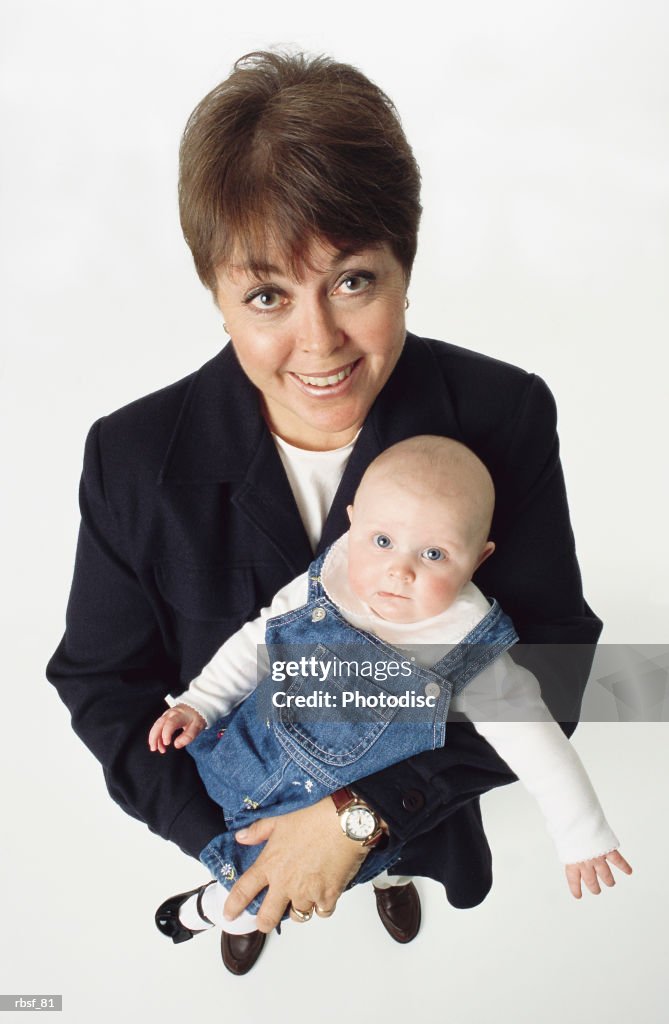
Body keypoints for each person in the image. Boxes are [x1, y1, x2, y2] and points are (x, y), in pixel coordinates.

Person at [46, 50, 607, 976]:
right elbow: (100, 683)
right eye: (267, 295)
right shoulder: (130, 455)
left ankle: (393, 872)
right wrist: (241, 851)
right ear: (215, 295)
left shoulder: (502, 413)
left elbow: (561, 655)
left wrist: (367, 818)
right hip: (243, 796)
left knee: (394, 852)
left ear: (404, 266)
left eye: (353, 281)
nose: (318, 344)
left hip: (416, 802)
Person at [148, 437, 630, 943]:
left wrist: (581, 834)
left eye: (435, 553)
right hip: (244, 753)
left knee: (261, 895)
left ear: (478, 558)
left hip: (336, 813)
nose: (401, 570)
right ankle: (238, 886)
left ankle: (207, 910)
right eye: (382, 541)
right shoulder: (329, 580)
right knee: (220, 830)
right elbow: (258, 641)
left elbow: (537, 743)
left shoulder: (465, 646)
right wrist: (201, 701)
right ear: (353, 522)